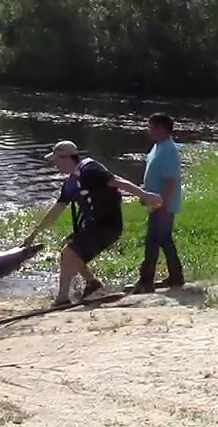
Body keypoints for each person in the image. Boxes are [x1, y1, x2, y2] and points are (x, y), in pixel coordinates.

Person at [22, 141, 162, 305]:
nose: (55, 165)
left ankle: (62, 298)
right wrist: (34, 234)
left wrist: (144, 195)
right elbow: (56, 210)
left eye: (56, 160)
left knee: (69, 253)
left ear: (65, 157)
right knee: (67, 246)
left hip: (107, 225)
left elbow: (116, 181)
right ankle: (92, 282)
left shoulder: (89, 169)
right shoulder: (70, 184)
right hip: (93, 226)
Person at [132, 113, 185, 293]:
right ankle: (176, 277)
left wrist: (163, 204)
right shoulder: (158, 147)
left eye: (152, 126)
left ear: (161, 128)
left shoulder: (168, 149)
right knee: (164, 239)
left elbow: (171, 180)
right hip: (156, 201)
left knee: (153, 241)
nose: (149, 130)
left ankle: (146, 282)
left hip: (163, 203)